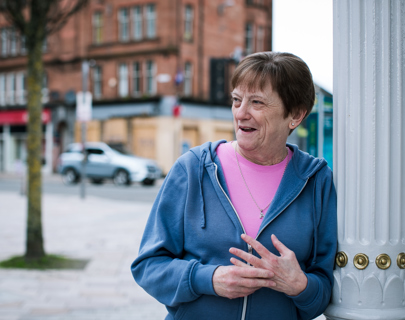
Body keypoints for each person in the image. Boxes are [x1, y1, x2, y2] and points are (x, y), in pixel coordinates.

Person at [131, 52, 337, 320]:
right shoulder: (193, 168)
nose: (241, 113)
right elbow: (148, 266)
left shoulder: (316, 181)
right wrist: (208, 278)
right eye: (237, 100)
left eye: (257, 102)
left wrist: (300, 286)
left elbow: (322, 294)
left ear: (295, 114)